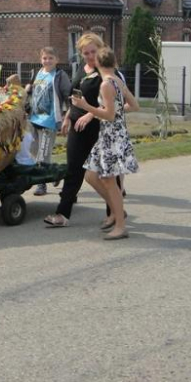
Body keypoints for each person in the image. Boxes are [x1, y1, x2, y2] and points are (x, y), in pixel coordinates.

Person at [71, 47, 139, 240]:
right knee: (91, 175)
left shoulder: (106, 84)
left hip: (111, 136)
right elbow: (134, 105)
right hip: (111, 135)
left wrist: (86, 106)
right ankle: (118, 215)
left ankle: (120, 225)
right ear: (114, 62)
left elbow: (108, 115)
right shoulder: (117, 80)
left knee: (109, 182)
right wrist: (116, 110)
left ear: (98, 64)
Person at [44, 33, 105, 227]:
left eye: (93, 52)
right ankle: (62, 214)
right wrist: (68, 116)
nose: (89, 56)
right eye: (85, 53)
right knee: (73, 169)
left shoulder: (107, 71)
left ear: (100, 49)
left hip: (98, 127)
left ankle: (115, 210)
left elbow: (113, 104)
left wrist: (90, 114)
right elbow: (75, 95)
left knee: (104, 172)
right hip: (78, 126)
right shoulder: (82, 68)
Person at [25, 47, 71, 195]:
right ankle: (53, 172)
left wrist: (67, 116)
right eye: (45, 58)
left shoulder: (59, 75)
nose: (47, 60)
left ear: (57, 60)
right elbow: (33, 91)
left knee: (43, 153)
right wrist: (28, 89)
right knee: (32, 149)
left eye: (51, 58)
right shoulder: (37, 73)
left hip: (49, 121)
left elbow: (68, 95)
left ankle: (41, 184)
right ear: (41, 59)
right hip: (34, 119)